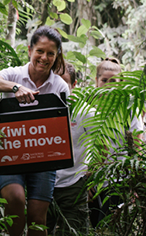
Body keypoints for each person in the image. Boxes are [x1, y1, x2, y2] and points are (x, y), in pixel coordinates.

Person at [0, 26, 70, 236]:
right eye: (40, 51)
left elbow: (61, 126)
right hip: (11, 153)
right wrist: (14, 88)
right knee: (16, 199)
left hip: (44, 158)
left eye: (50, 53)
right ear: (30, 50)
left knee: (38, 218)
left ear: (56, 57)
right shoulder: (14, 74)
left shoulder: (59, 86)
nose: (44, 57)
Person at [88, 57, 144, 229]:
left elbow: (137, 148)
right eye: (104, 80)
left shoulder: (129, 110)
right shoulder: (87, 108)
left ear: (121, 83)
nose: (108, 84)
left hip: (119, 181)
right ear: (96, 81)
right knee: (94, 225)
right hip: (91, 182)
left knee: (108, 226)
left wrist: (135, 182)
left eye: (114, 81)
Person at [46, 63, 90, 235]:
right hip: (44, 183)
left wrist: (90, 176)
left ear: (74, 85)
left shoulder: (86, 113)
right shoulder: (39, 109)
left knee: (74, 230)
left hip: (73, 183)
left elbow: (101, 144)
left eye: (64, 83)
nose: (59, 88)